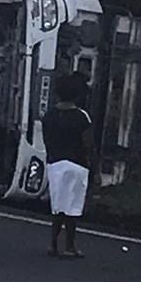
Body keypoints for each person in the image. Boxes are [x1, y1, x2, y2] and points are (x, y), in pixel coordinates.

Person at [42, 73, 95, 258]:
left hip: (55, 164)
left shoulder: (49, 115)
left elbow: (47, 140)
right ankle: (70, 245)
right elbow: (88, 143)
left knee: (57, 205)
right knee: (73, 206)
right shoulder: (82, 116)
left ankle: (53, 244)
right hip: (77, 164)